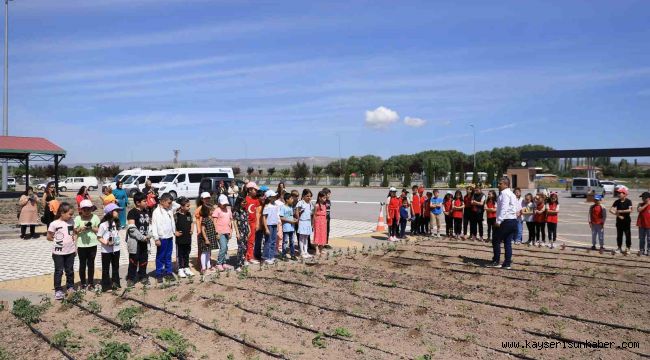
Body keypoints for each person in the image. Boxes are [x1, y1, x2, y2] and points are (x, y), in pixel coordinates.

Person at [47, 202, 76, 300]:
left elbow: (73, 234)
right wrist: (58, 241)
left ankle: (70, 287)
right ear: (62, 213)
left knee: (70, 270)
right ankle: (58, 290)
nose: (71, 216)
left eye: (72, 214)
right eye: (69, 214)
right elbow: (49, 237)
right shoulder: (54, 224)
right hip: (58, 253)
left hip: (70, 251)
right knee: (59, 271)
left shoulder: (71, 221)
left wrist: (75, 247)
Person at [488, 177, 518, 269]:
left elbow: (504, 208)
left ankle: (496, 261)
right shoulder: (512, 194)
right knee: (507, 242)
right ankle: (507, 263)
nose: (498, 185)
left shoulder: (505, 194)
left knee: (496, 240)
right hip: (512, 220)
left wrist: (499, 221)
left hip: (506, 221)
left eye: (500, 183)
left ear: (506, 184)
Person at [126, 192, 152, 287]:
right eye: (144, 201)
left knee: (144, 260)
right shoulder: (132, 212)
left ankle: (143, 276)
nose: (146, 202)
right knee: (133, 260)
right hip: (135, 242)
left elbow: (149, 225)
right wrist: (142, 237)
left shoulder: (146, 211)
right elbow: (132, 229)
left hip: (145, 241)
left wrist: (149, 235)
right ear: (137, 202)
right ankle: (131, 278)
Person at [151, 193, 178, 282]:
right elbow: (154, 226)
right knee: (160, 256)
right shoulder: (156, 212)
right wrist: (156, 238)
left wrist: (170, 202)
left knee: (168, 255)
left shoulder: (170, 209)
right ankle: (159, 273)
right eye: (168, 203)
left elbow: (177, 205)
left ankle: (168, 272)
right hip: (161, 238)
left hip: (169, 236)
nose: (170, 204)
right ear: (162, 202)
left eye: (171, 203)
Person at [74, 200, 100, 290]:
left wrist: (91, 227)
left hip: (93, 244)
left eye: (89, 209)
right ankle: (83, 283)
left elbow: (99, 230)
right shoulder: (78, 218)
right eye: (84, 210)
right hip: (81, 245)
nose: (87, 212)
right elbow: (75, 231)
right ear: (81, 210)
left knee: (91, 264)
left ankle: (91, 283)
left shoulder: (95, 217)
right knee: (82, 264)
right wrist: (81, 228)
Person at [97, 203, 122, 292]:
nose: (118, 213)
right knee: (106, 268)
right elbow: (99, 237)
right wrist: (106, 242)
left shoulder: (116, 223)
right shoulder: (103, 225)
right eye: (116, 211)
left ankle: (116, 283)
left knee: (116, 267)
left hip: (116, 249)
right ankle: (106, 286)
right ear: (110, 212)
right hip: (106, 251)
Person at [213, 194, 234, 270]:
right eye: (223, 204)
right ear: (219, 203)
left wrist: (231, 231)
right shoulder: (217, 210)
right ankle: (219, 263)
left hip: (227, 231)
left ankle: (224, 263)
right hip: (220, 232)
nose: (224, 205)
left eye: (225, 203)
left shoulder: (228, 210)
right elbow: (214, 222)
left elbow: (231, 221)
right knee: (223, 247)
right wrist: (216, 232)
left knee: (226, 248)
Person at [175, 197, 194, 278]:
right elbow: (173, 225)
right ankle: (180, 268)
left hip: (188, 238)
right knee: (180, 254)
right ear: (181, 207)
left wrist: (192, 230)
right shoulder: (176, 215)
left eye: (189, 206)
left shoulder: (189, 214)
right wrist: (175, 232)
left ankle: (186, 267)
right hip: (180, 239)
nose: (189, 207)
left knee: (187, 253)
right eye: (187, 206)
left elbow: (192, 222)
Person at [610, 187, 633, 254]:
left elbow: (630, 210)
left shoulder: (628, 201)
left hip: (627, 220)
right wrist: (618, 215)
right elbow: (610, 210)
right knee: (619, 235)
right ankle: (619, 248)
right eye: (618, 193)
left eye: (620, 193)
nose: (619, 194)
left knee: (627, 235)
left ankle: (628, 248)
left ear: (625, 194)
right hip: (619, 221)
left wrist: (621, 211)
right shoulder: (617, 201)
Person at [198, 200, 217, 274]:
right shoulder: (204, 219)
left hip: (210, 238)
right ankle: (203, 268)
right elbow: (203, 230)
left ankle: (208, 266)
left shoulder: (210, 218)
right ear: (206, 211)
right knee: (204, 252)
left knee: (208, 252)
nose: (212, 212)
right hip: (205, 239)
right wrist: (206, 239)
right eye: (211, 210)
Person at [244, 182, 261, 264]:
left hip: (253, 223)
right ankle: (245, 257)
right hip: (246, 224)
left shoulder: (256, 200)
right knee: (245, 241)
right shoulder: (245, 199)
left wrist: (257, 223)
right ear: (250, 190)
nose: (256, 191)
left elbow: (257, 212)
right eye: (255, 190)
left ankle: (250, 257)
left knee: (251, 241)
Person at [232, 195, 250, 271]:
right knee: (240, 248)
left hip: (246, 231)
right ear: (239, 202)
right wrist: (237, 233)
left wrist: (249, 230)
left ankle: (242, 261)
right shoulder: (236, 212)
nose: (244, 203)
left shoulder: (245, 211)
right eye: (243, 202)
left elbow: (247, 221)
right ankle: (238, 265)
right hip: (240, 231)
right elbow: (235, 223)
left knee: (245, 247)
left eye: (245, 202)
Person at [261, 190, 279, 264]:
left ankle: (271, 256)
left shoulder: (275, 205)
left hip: (274, 224)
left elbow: (276, 216)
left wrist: (277, 225)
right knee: (268, 241)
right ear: (269, 197)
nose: (275, 197)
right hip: (269, 225)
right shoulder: (267, 206)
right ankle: (266, 257)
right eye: (273, 196)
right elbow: (264, 217)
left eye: (275, 196)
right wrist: (266, 228)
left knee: (273, 241)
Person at [296, 189, 314, 259]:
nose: (309, 197)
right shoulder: (301, 203)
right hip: (302, 221)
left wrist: (312, 223)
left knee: (306, 237)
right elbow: (297, 212)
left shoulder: (310, 203)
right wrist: (298, 220)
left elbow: (312, 213)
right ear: (303, 196)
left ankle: (306, 251)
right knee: (301, 237)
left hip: (308, 221)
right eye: (307, 196)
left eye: (310, 196)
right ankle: (302, 252)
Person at [280, 192, 298, 260]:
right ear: (287, 199)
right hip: (286, 228)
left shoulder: (291, 207)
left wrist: (294, 219)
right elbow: (281, 218)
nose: (292, 200)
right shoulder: (283, 207)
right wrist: (290, 221)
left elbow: (290, 216)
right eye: (291, 198)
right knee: (285, 242)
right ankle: (283, 255)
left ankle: (292, 255)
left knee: (292, 241)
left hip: (291, 228)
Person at [313, 191, 328, 255]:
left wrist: (326, 220)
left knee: (323, 235)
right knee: (317, 235)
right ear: (319, 198)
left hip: (323, 222)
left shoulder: (325, 205)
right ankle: (316, 249)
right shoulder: (317, 205)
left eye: (325, 198)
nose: (325, 199)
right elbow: (314, 215)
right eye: (324, 198)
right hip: (318, 222)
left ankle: (321, 249)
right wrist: (314, 223)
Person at [637, 192, 650, 256]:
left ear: (648, 198)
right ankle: (641, 250)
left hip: (649, 225)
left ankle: (649, 250)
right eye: (642, 197)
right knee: (642, 238)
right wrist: (646, 204)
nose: (642, 198)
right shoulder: (640, 204)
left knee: (649, 239)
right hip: (641, 224)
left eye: (643, 197)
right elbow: (639, 210)